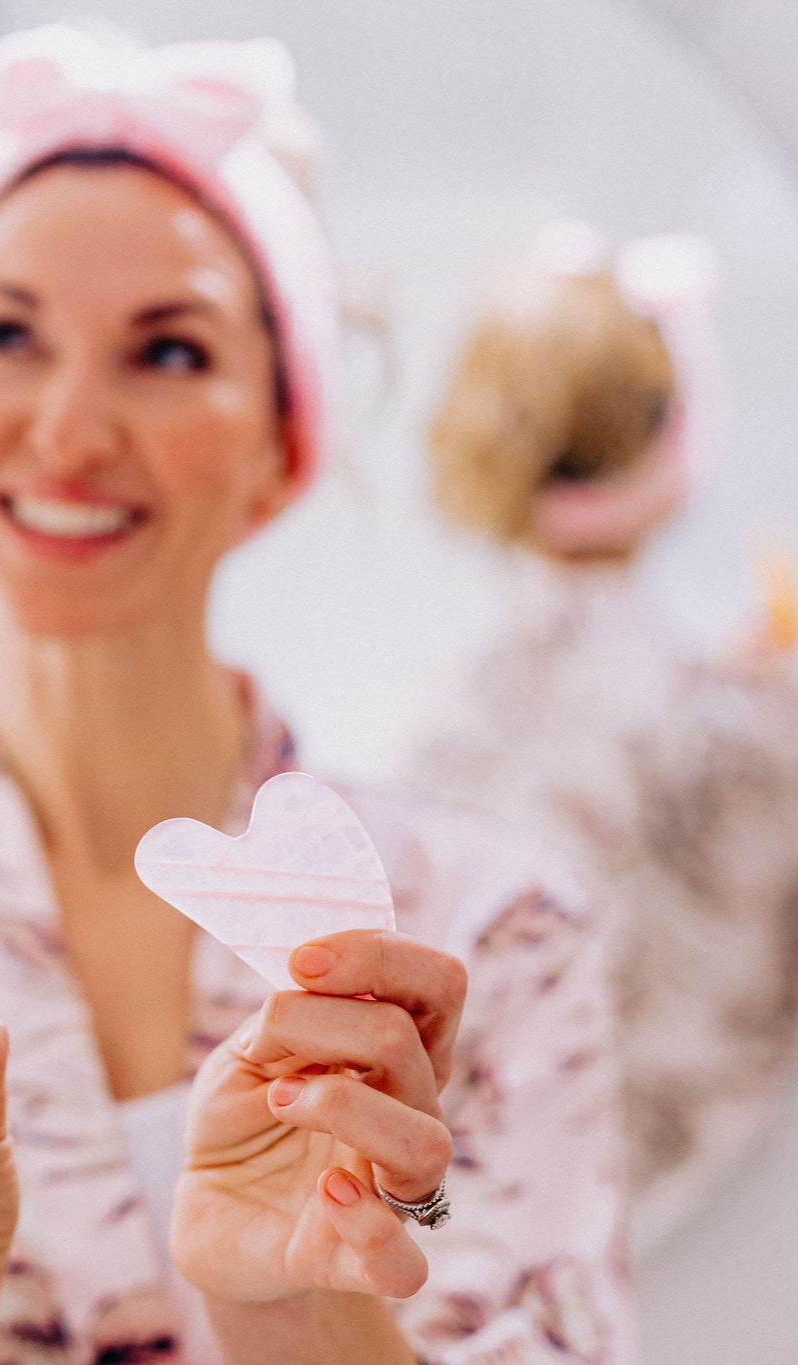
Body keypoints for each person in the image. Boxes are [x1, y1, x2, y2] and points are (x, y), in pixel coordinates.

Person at [0, 29, 632, 1364]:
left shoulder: (484, 941)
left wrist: (303, 1319)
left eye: (166, 353)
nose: (71, 426)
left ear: (284, 439)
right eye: (4, 335)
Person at [408, 220, 798, 1250]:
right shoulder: (756, 731)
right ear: (678, 438)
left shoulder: (442, 753)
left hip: (529, 1247)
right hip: (746, 1224)